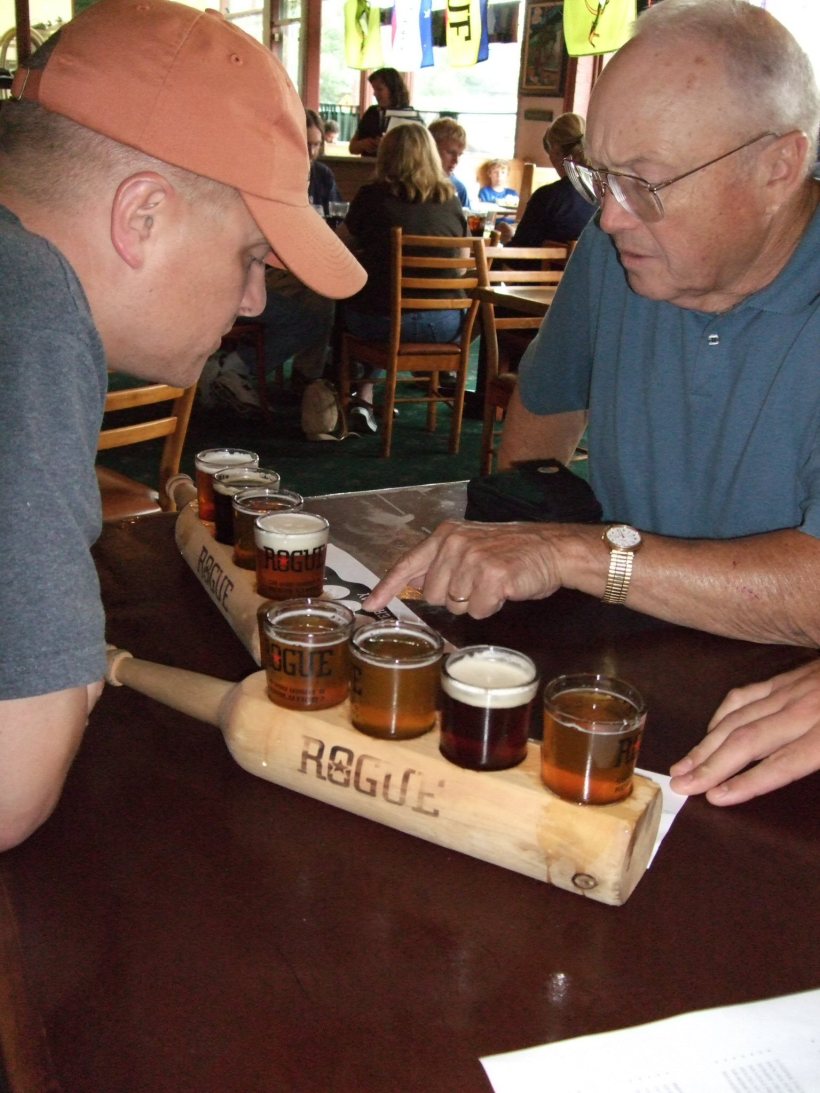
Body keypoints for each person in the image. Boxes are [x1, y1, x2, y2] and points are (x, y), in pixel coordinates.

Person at [364, 0, 820, 802]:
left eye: (643, 182)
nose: (607, 215)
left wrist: (569, 551)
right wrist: (516, 528)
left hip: (785, 717)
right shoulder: (615, 257)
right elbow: (542, 412)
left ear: (779, 167)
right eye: (596, 176)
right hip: (632, 676)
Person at [0, 0, 365, 851]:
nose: (253, 301)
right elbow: (12, 784)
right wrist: (65, 684)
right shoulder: (32, 310)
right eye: (248, 255)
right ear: (142, 217)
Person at [339, 122, 467, 433]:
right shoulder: (450, 199)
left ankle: (361, 394)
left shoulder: (371, 196)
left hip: (378, 323)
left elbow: (339, 249)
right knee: (395, 312)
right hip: (442, 327)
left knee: (365, 307)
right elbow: (462, 268)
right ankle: (379, 394)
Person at [496, 113, 595, 245]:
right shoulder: (607, 194)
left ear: (556, 151)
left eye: (549, 151)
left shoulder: (548, 197)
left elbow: (517, 258)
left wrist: (507, 238)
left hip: (546, 266)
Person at [348, 67, 414, 158]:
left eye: (379, 89)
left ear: (393, 90)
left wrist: (388, 145)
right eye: (374, 89)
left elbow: (416, 152)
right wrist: (363, 144)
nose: (375, 94)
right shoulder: (371, 113)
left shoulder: (410, 116)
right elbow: (352, 148)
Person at [428, 117, 470, 207]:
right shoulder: (413, 185)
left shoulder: (459, 188)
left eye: (460, 155)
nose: (456, 161)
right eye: (451, 152)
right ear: (432, 148)